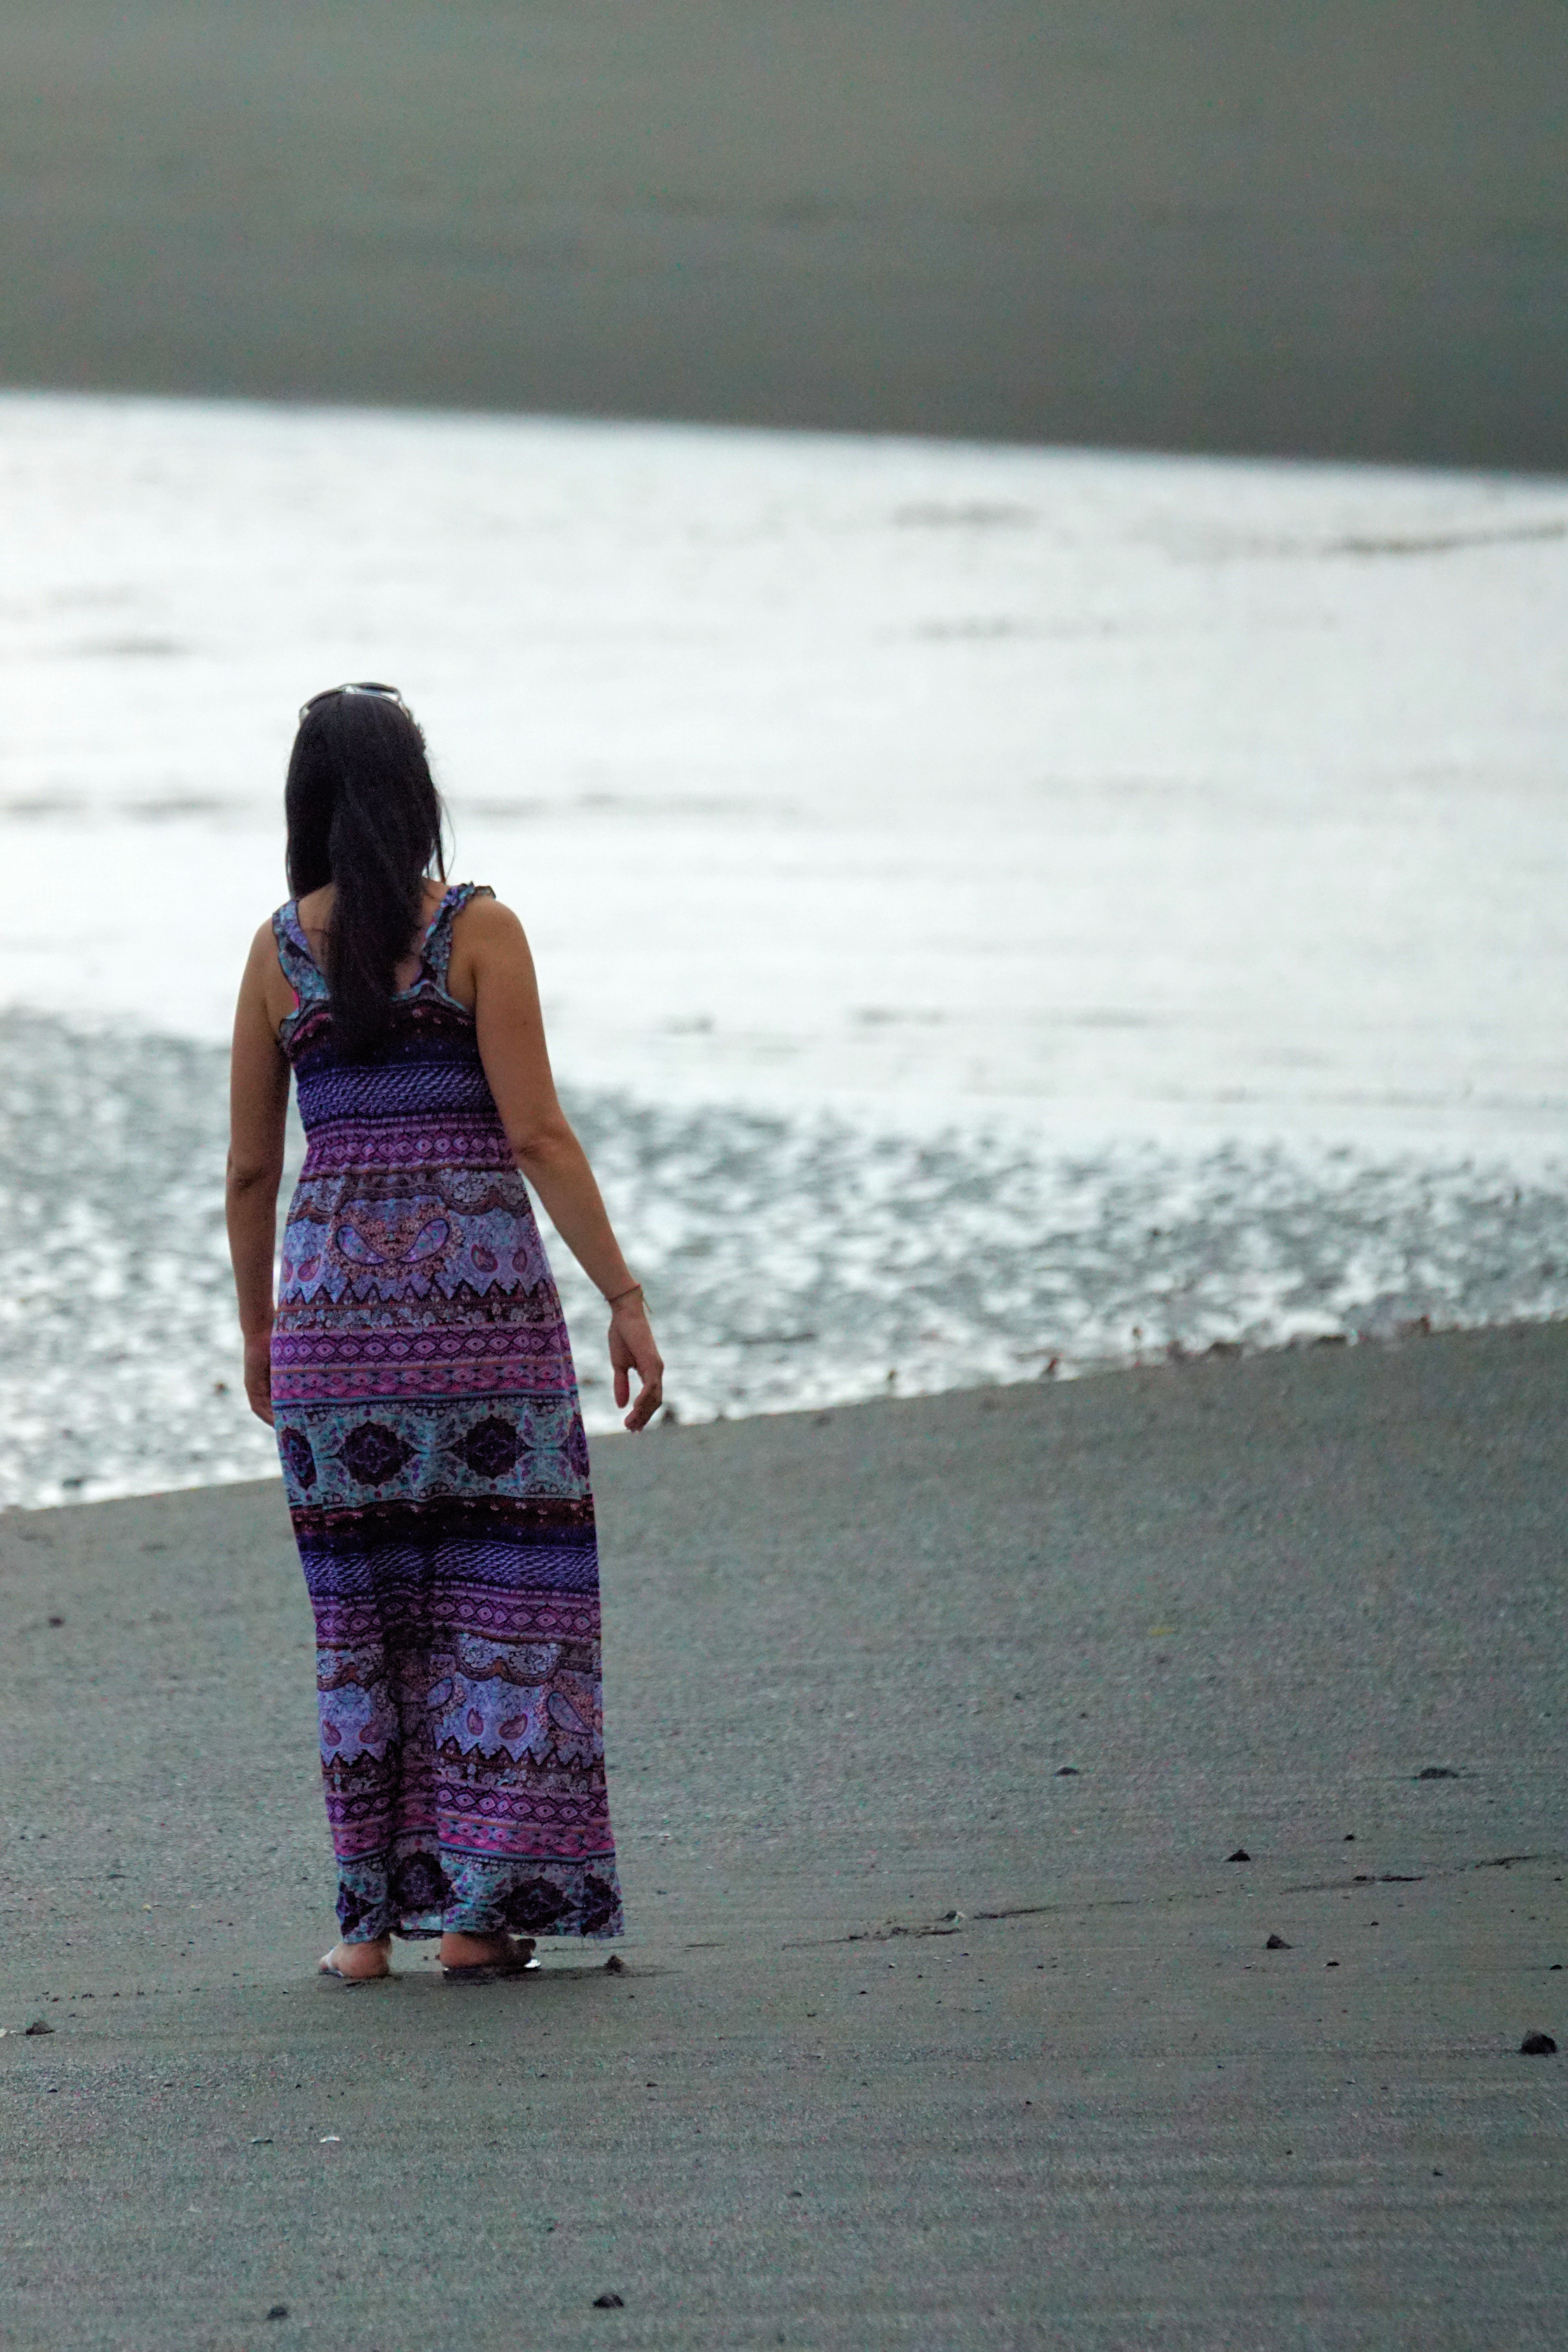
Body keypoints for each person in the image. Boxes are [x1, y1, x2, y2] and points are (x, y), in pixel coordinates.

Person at [225, 682, 661, 1982]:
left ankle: (365, 1933)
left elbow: (251, 1173)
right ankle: (479, 1916)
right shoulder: (480, 932)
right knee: (507, 1612)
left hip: (332, 1342)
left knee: (360, 1629)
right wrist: (624, 1300)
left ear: (304, 806)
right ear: (417, 797)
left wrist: (263, 1334)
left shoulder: (273, 956)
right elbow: (534, 1134)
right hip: (483, 1342)